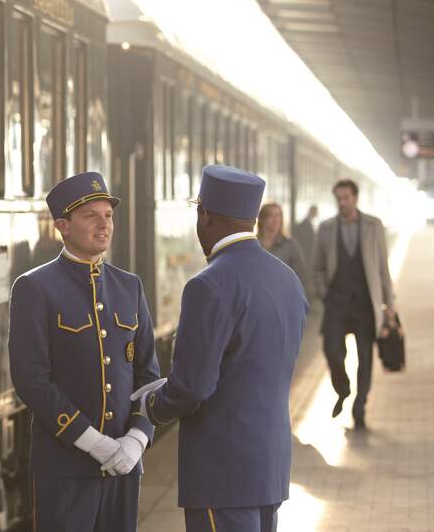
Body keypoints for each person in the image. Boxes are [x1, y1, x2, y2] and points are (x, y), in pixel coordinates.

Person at [132, 165, 308, 532]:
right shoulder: (287, 278)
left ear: (205, 215)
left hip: (222, 470)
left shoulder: (208, 285)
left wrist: (148, 405)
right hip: (270, 466)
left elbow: (192, 387)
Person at [8, 171, 160, 532]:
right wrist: (93, 443)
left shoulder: (130, 286)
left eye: (108, 215)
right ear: (63, 226)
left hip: (124, 467)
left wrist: (136, 440)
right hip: (66, 469)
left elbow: (148, 375)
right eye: (91, 216)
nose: (104, 225)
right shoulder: (35, 287)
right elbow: (31, 380)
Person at [312, 179, 395, 430]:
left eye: (346, 197)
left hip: (365, 305)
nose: (342, 202)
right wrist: (324, 293)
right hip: (336, 303)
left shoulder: (373, 226)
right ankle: (343, 388)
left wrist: (390, 305)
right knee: (331, 350)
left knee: (365, 357)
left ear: (355, 198)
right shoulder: (326, 229)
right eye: (338, 198)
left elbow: (383, 269)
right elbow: (318, 268)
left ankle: (360, 407)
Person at [257, 202, 306, 282]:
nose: (275, 220)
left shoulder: (290, 245)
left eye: (278, 215)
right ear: (262, 219)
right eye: (270, 215)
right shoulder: (254, 244)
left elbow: (300, 275)